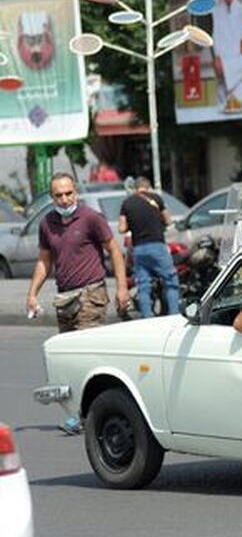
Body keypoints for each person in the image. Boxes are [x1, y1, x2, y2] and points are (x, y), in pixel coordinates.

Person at [26, 173, 129, 434]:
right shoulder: (47, 223)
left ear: (76, 192)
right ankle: (79, 411)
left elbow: (114, 250)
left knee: (86, 355)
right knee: (70, 358)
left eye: (68, 193)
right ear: (52, 198)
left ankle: (90, 414)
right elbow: (44, 261)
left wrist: (122, 287)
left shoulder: (91, 218)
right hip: (65, 298)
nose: (64, 199)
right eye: (58, 195)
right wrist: (32, 294)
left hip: (91, 295)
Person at [119, 177, 181, 318]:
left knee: (143, 285)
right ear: (149, 187)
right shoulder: (156, 199)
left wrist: (134, 224)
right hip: (157, 246)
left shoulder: (127, 203)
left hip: (139, 249)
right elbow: (169, 220)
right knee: (171, 281)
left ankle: (147, 318)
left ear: (135, 188)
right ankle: (174, 316)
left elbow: (122, 228)